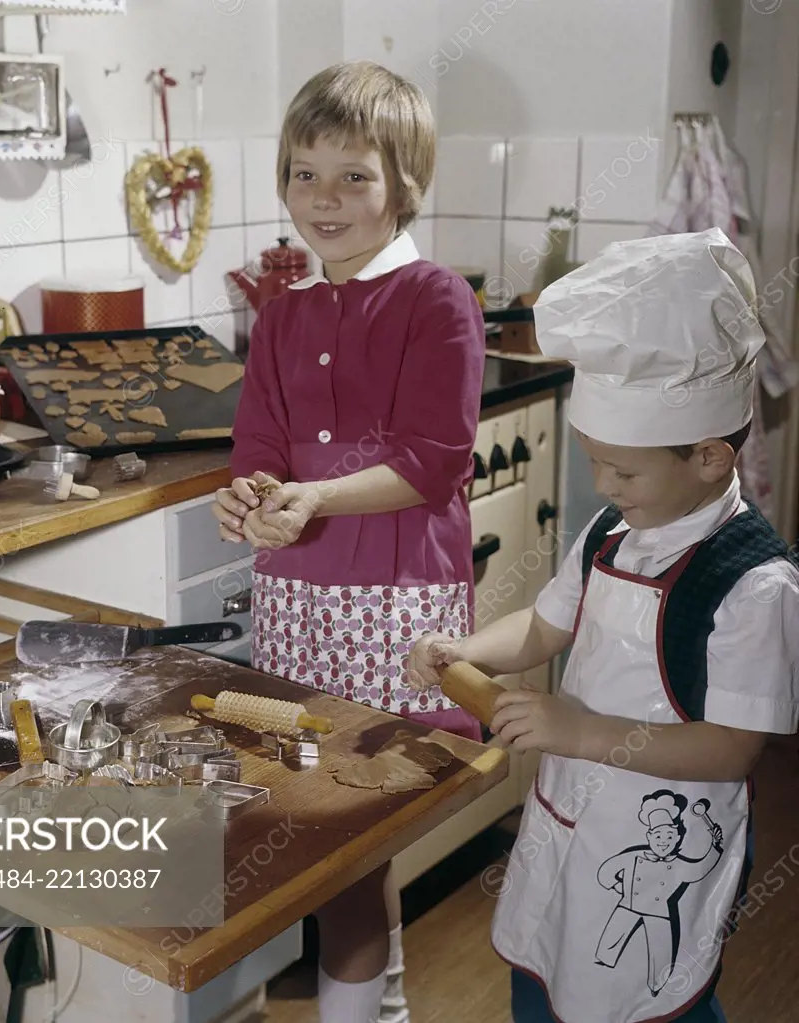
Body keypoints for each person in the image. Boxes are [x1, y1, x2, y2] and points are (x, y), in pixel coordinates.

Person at [407, 227, 799, 1023]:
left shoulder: (756, 585)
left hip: (661, 843)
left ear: (711, 458)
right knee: (546, 966)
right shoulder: (610, 533)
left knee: (649, 996)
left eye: (623, 470)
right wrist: (464, 646)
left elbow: (731, 748)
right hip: (570, 814)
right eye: (595, 460)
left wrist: (578, 730)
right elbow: (544, 628)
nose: (601, 484)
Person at [211, 60, 486, 1023]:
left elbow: (437, 458)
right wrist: (248, 500)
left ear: (403, 183)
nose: (323, 199)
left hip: (394, 602)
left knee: (357, 833)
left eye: (353, 175)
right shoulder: (282, 314)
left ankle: (372, 1008)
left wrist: (311, 496)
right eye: (303, 173)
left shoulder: (435, 299)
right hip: (297, 601)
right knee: (316, 832)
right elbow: (258, 450)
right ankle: (380, 1004)